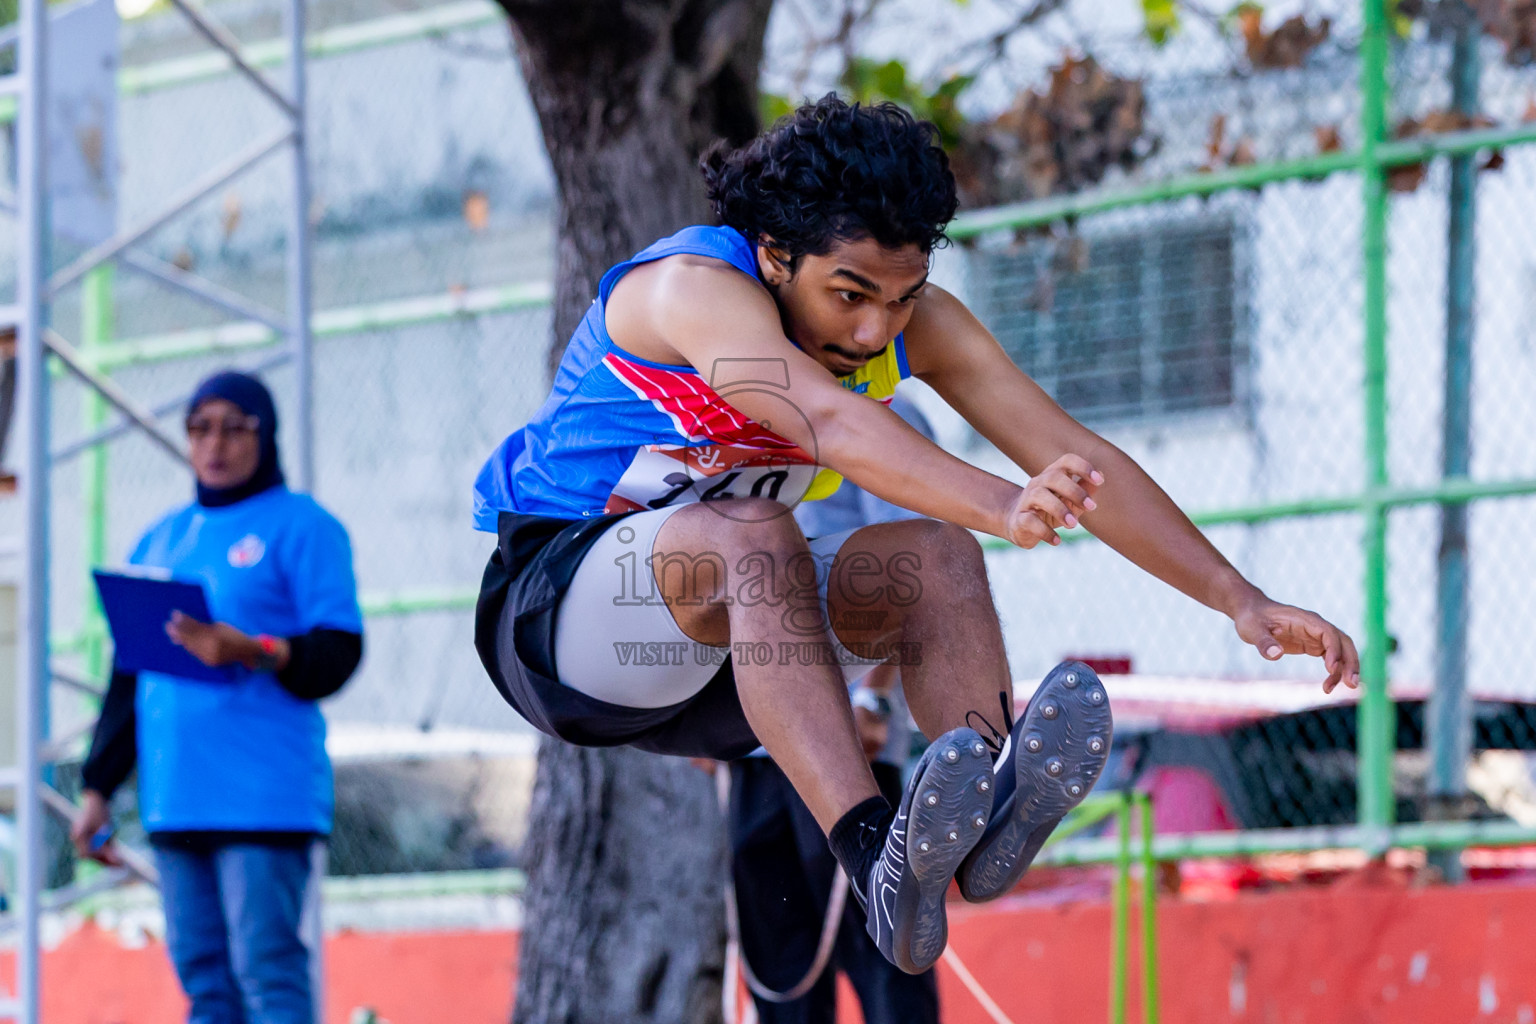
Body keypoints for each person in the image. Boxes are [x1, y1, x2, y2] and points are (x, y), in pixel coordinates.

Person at [472, 95, 1359, 976]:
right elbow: (829, 422)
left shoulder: (909, 327)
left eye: (900, 301)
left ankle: (979, 823)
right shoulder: (689, 294)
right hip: (563, 616)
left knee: (935, 559)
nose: (873, 332)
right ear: (776, 255)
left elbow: (1081, 455)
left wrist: (1238, 597)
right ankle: (874, 858)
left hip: (730, 658)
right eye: (849, 295)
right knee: (755, 530)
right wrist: (1006, 503)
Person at [71, 371, 364, 1024]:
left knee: (268, 975)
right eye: (200, 427)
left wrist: (255, 649)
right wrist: (96, 788)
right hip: (177, 797)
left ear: (267, 434)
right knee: (205, 985)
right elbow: (130, 677)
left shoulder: (304, 527)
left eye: (236, 426)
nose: (215, 444)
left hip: (263, 798)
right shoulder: (159, 538)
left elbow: (338, 655)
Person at [729, 391, 942, 1023]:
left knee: (882, 954)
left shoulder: (887, 416)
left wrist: (873, 697)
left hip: (846, 739)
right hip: (753, 745)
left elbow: (915, 563)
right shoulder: (739, 411)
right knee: (782, 970)